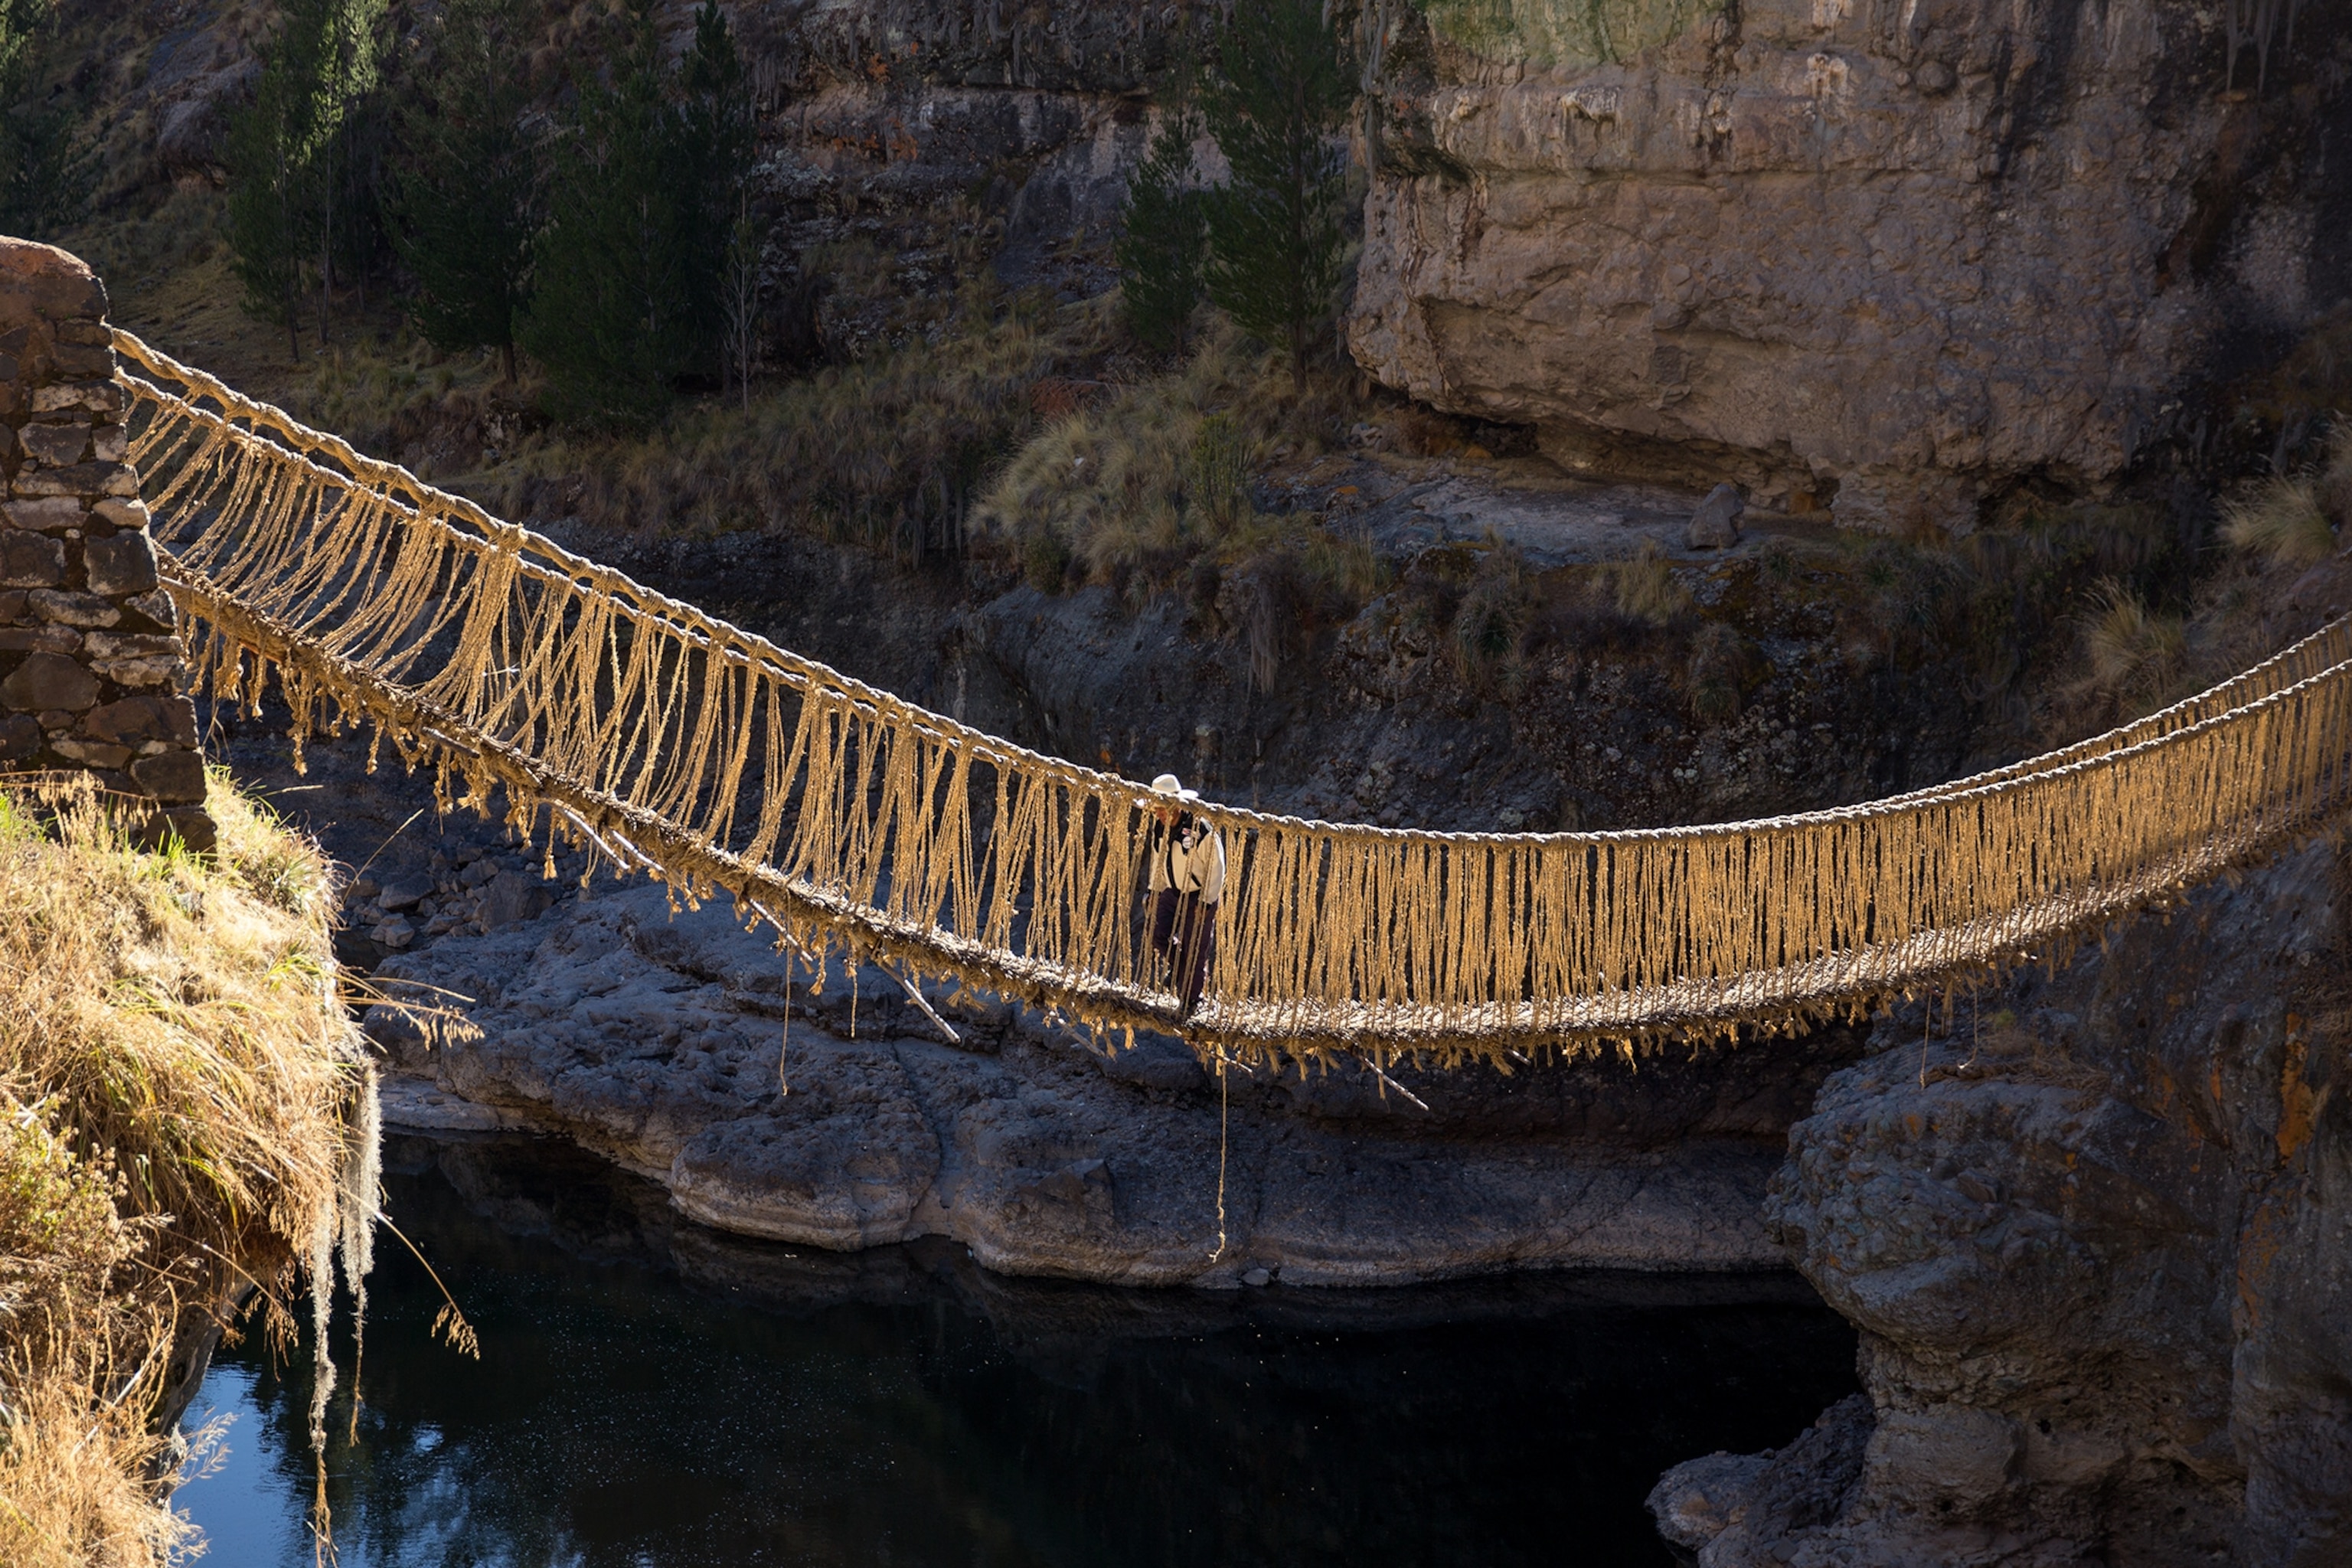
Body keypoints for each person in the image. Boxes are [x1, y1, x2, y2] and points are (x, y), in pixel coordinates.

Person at [1143, 773, 1224, 1021]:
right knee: (1157, 935)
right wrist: (1153, 890)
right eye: (1155, 810)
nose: (1158, 814)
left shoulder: (1202, 830)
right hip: (1172, 892)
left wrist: (1207, 900)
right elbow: (1158, 860)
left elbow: (1217, 867)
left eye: (1162, 809)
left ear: (1176, 805)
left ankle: (1191, 1001)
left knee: (1195, 951)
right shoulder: (1160, 827)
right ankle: (1180, 970)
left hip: (1199, 896)